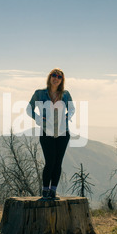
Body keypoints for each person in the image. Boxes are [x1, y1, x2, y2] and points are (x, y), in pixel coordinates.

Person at [26, 68, 75, 199]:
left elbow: (72, 108)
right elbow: (28, 108)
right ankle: (45, 190)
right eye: (54, 75)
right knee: (50, 161)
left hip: (63, 133)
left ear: (62, 80)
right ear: (50, 77)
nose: (56, 78)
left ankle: (53, 190)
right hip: (46, 132)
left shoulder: (65, 94)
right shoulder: (40, 93)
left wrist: (67, 116)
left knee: (58, 162)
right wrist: (37, 119)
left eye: (59, 77)